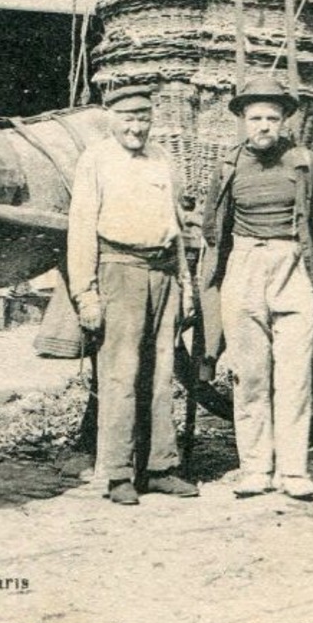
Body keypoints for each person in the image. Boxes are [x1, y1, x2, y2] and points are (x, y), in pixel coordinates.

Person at [200, 74, 313, 501]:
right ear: (242, 120)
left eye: (272, 118)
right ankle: (255, 468)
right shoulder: (228, 166)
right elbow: (212, 228)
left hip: (292, 266)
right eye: (255, 118)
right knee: (250, 375)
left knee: (293, 376)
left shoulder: (304, 163)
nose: (263, 126)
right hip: (244, 266)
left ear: (284, 121)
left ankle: (294, 471)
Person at [67, 85, 198, 506]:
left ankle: (160, 467)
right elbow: (81, 229)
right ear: (112, 119)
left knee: (161, 374)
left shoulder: (161, 158)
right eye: (128, 118)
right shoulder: (96, 160)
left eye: (144, 118)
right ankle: (118, 474)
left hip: (163, 275)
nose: (136, 127)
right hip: (119, 271)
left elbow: (174, 225)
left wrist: (187, 285)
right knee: (121, 375)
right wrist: (85, 294)